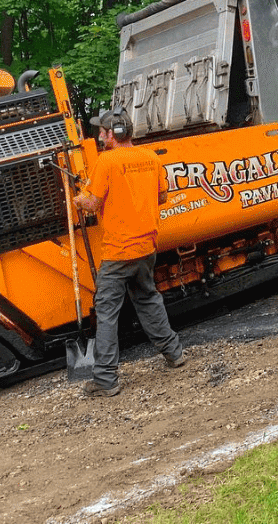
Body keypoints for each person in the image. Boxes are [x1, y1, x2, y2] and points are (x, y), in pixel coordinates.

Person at [73, 108, 185, 397]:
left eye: (103, 131)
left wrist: (76, 197)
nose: (99, 136)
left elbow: (93, 203)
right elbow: (161, 196)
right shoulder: (150, 157)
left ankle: (106, 380)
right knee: (148, 299)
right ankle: (174, 353)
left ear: (116, 134)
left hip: (118, 251)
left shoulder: (107, 161)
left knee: (107, 311)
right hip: (146, 247)